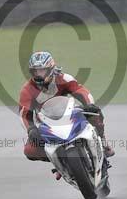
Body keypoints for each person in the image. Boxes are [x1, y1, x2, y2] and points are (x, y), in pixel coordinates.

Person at [19, 51, 114, 180]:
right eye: (35, 72)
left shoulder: (63, 78)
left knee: (94, 113)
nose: (38, 75)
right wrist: (31, 129)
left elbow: (81, 91)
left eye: (42, 71)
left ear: (51, 69)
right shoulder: (27, 90)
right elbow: (24, 114)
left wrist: (89, 104)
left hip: (69, 113)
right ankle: (59, 163)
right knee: (29, 150)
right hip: (46, 123)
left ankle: (103, 143)